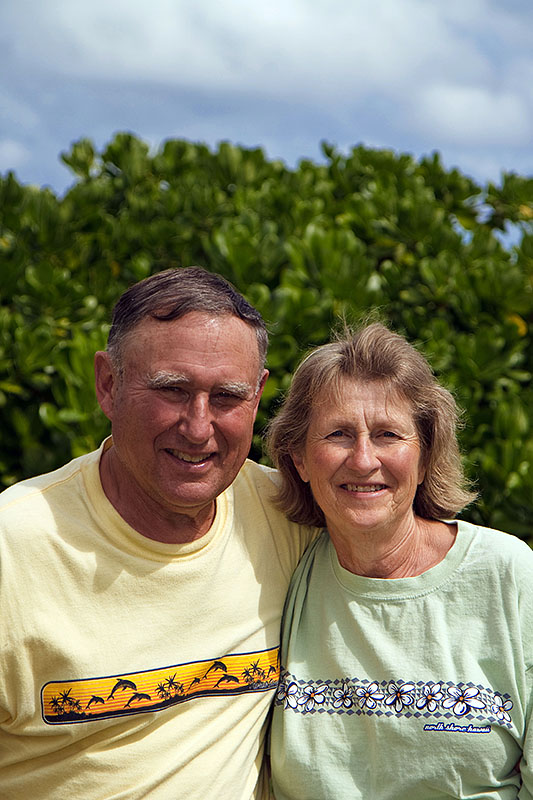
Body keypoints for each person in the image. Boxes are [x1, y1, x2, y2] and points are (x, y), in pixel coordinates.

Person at [0, 267, 315, 800]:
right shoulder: (14, 545)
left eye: (226, 398)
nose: (197, 427)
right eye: (172, 390)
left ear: (258, 397)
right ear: (108, 384)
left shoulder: (289, 514)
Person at [267, 322, 533, 799]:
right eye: (338, 434)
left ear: (426, 454)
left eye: (389, 434)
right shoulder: (280, 564)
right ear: (300, 460)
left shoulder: (507, 573)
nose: (364, 459)